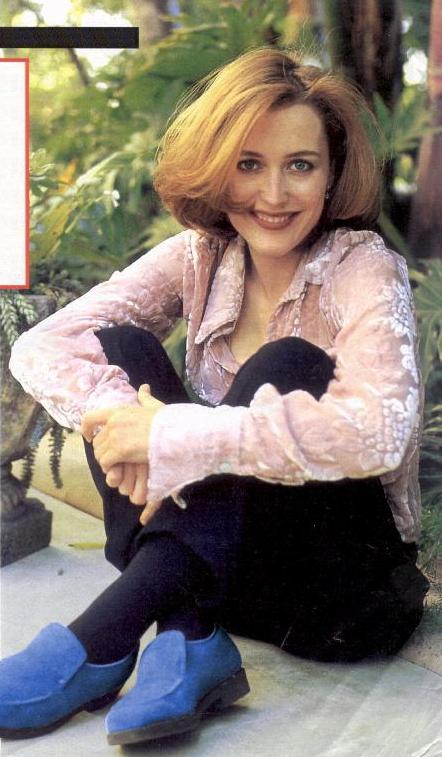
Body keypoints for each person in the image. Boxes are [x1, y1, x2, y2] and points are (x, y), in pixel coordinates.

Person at [3, 47, 429, 746]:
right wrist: (123, 420)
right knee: (119, 347)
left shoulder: (361, 268)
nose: (274, 194)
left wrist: (171, 436)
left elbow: (377, 430)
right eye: (249, 163)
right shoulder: (200, 254)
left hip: (340, 599)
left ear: (332, 174)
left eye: (300, 165)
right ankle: (188, 637)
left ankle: (100, 640)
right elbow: (41, 346)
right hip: (229, 580)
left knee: (287, 365)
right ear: (217, 166)